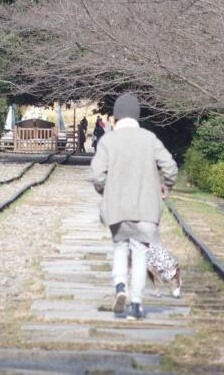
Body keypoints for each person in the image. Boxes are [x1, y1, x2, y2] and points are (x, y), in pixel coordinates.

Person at [90, 93, 178, 320]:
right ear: (138, 116)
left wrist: (103, 189)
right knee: (140, 252)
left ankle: (120, 287)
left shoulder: (107, 141)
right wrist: (164, 187)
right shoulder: (150, 138)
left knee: (120, 247)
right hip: (146, 208)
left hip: (117, 207)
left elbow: (97, 175)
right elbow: (170, 168)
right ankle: (137, 304)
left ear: (116, 116)